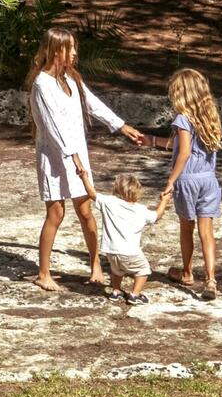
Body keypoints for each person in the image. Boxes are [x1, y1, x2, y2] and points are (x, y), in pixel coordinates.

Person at [27, 27, 149, 292]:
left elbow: (92, 105)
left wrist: (121, 126)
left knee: (85, 211)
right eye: (69, 48)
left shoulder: (71, 79)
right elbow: (53, 126)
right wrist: (73, 157)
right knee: (56, 212)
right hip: (55, 157)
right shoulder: (42, 84)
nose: (74, 53)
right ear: (55, 50)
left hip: (76, 154)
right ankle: (43, 273)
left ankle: (96, 265)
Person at [158, 67, 222, 298]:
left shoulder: (182, 119)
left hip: (187, 181)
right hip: (208, 180)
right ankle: (211, 279)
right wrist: (150, 140)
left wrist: (170, 181)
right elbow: (190, 148)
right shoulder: (209, 117)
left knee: (187, 228)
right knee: (207, 232)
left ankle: (187, 272)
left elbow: (184, 153)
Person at [94, 173, 169, 303]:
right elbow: (157, 215)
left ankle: (116, 291)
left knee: (117, 270)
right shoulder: (140, 210)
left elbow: (92, 193)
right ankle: (135, 294)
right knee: (143, 270)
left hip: (111, 250)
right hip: (130, 252)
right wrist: (164, 201)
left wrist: (83, 177)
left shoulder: (109, 202)